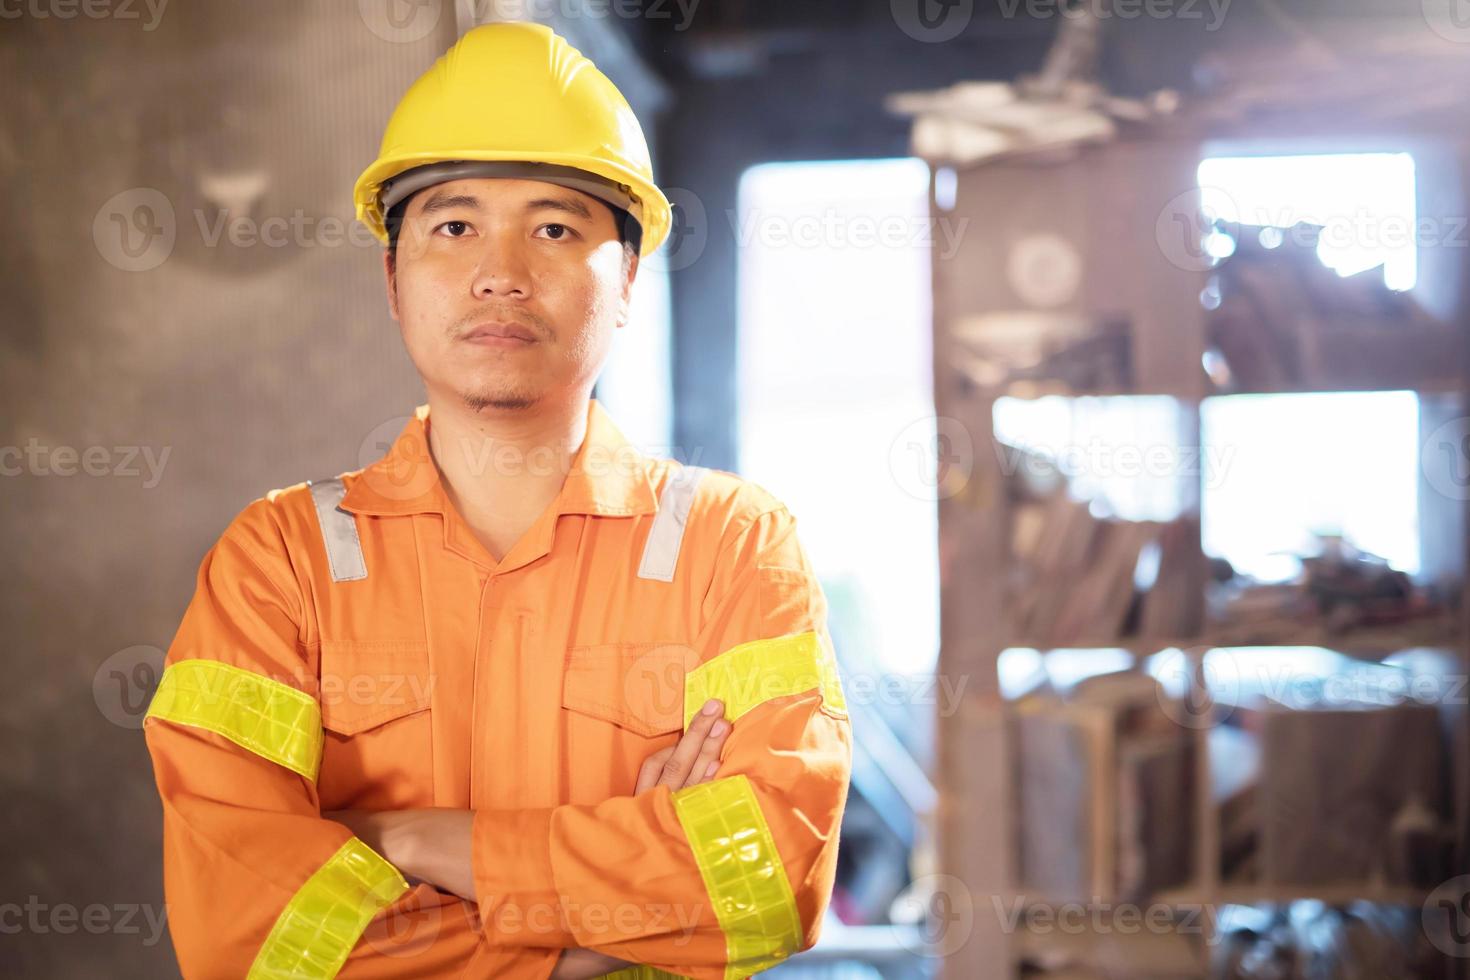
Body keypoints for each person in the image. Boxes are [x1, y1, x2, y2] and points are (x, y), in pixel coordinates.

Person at [143, 20, 852, 980]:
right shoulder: (278, 563)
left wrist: (404, 838)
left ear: (628, 280)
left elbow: (770, 880)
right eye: (453, 225)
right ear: (393, 279)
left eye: (556, 228)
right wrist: (585, 943)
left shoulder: (732, 548)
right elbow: (243, 924)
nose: (502, 272)